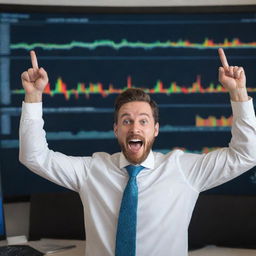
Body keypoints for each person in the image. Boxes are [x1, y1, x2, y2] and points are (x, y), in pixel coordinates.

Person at [19, 49, 256, 256]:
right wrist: (33, 95)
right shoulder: (92, 170)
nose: (134, 127)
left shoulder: (184, 169)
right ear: (116, 130)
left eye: (143, 121)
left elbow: (246, 155)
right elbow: (35, 157)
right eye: (126, 121)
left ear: (155, 130)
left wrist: (238, 93)